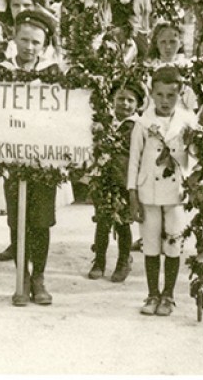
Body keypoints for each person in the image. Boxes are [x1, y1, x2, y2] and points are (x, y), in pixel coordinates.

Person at [0, 8, 63, 305]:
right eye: (24, 40)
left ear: (44, 45)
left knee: (41, 220)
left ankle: (39, 277)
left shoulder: (53, 74)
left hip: (43, 158)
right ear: (14, 38)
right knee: (18, 220)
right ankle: (21, 276)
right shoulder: (0, 70)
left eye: (36, 43)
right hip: (13, 156)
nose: (29, 47)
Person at [128, 66, 200, 317]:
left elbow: (196, 158)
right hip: (148, 192)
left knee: (173, 240)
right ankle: (151, 294)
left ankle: (168, 294)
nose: (165, 101)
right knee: (149, 243)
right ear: (151, 93)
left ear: (180, 94)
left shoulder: (188, 122)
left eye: (171, 95)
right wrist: (132, 193)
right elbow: (134, 159)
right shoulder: (142, 123)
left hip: (177, 193)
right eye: (160, 95)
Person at [87, 79, 144, 282]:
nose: (125, 104)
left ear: (138, 105)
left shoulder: (138, 126)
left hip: (124, 180)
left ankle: (123, 260)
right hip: (103, 178)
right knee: (102, 220)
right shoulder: (104, 121)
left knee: (122, 222)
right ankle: (99, 260)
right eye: (121, 99)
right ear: (112, 100)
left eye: (130, 100)